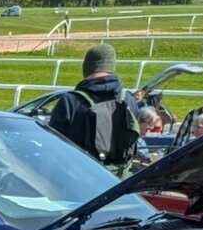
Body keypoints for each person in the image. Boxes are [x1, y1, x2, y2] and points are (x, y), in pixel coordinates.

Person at [48, 44, 140, 177]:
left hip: (78, 182)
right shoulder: (129, 100)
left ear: (86, 68)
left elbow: (54, 149)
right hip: (119, 182)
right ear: (111, 67)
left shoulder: (70, 102)